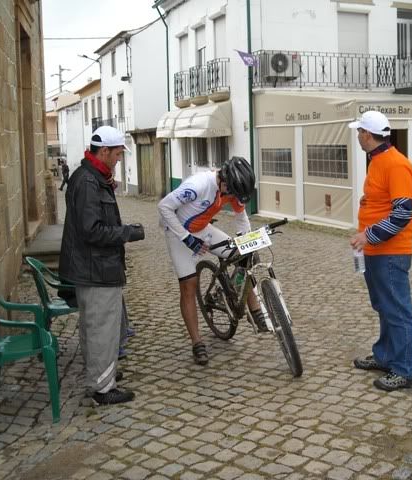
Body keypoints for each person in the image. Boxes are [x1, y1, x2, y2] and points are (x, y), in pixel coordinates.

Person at [59, 125, 145, 405]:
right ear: (104, 151)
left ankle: (101, 375)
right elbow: (92, 231)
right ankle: (102, 389)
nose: (120, 160)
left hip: (95, 267)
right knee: (101, 328)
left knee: (98, 326)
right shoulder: (87, 182)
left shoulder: (92, 177)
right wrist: (128, 232)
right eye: (118, 154)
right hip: (95, 269)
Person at [158, 156, 265, 365]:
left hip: (203, 228)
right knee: (189, 286)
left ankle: (255, 311)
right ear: (224, 181)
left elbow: (241, 218)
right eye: (232, 192)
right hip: (178, 233)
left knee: (245, 256)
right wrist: (186, 238)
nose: (234, 197)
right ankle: (197, 342)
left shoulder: (233, 188)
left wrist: (246, 241)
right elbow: (164, 207)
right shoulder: (198, 185)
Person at [348, 110, 412, 392]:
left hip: (391, 252)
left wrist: (369, 234)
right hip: (377, 251)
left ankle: (404, 370)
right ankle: (385, 356)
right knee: (385, 307)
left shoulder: (396, 165)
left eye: (358, 132)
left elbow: (403, 213)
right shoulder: (378, 161)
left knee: (398, 311)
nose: (357, 137)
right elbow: (385, 201)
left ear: (367, 134)